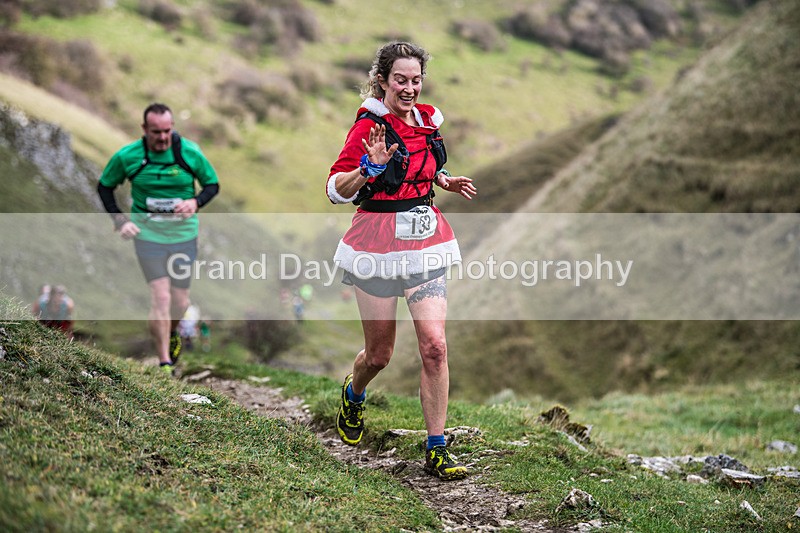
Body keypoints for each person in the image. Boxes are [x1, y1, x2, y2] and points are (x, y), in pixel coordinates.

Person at [326, 41, 477, 481]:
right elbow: (336, 189)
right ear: (383, 81)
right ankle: (354, 394)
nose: (409, 88)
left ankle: (436, 447)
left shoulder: (429, 120)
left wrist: (442, 179)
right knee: (379, 355)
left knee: (434, 346)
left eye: (416, 80)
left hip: (425, 239)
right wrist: (369, 170)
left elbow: (421, 165)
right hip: (375, 242)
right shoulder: (369, 127)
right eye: (400, 81)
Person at [97, 103, 220, 375]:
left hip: (183, 236)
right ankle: (165, 363)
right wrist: (120, 221)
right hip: (147, 235)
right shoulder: (128, 156)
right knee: (160, 297)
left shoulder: (189, 153)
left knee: (181, 302)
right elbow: (105, 187)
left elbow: (212, 185)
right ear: (144, 130)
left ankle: (172, 332)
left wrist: (195, 202)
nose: (163, 138)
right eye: (156, 132)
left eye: (167, 131)